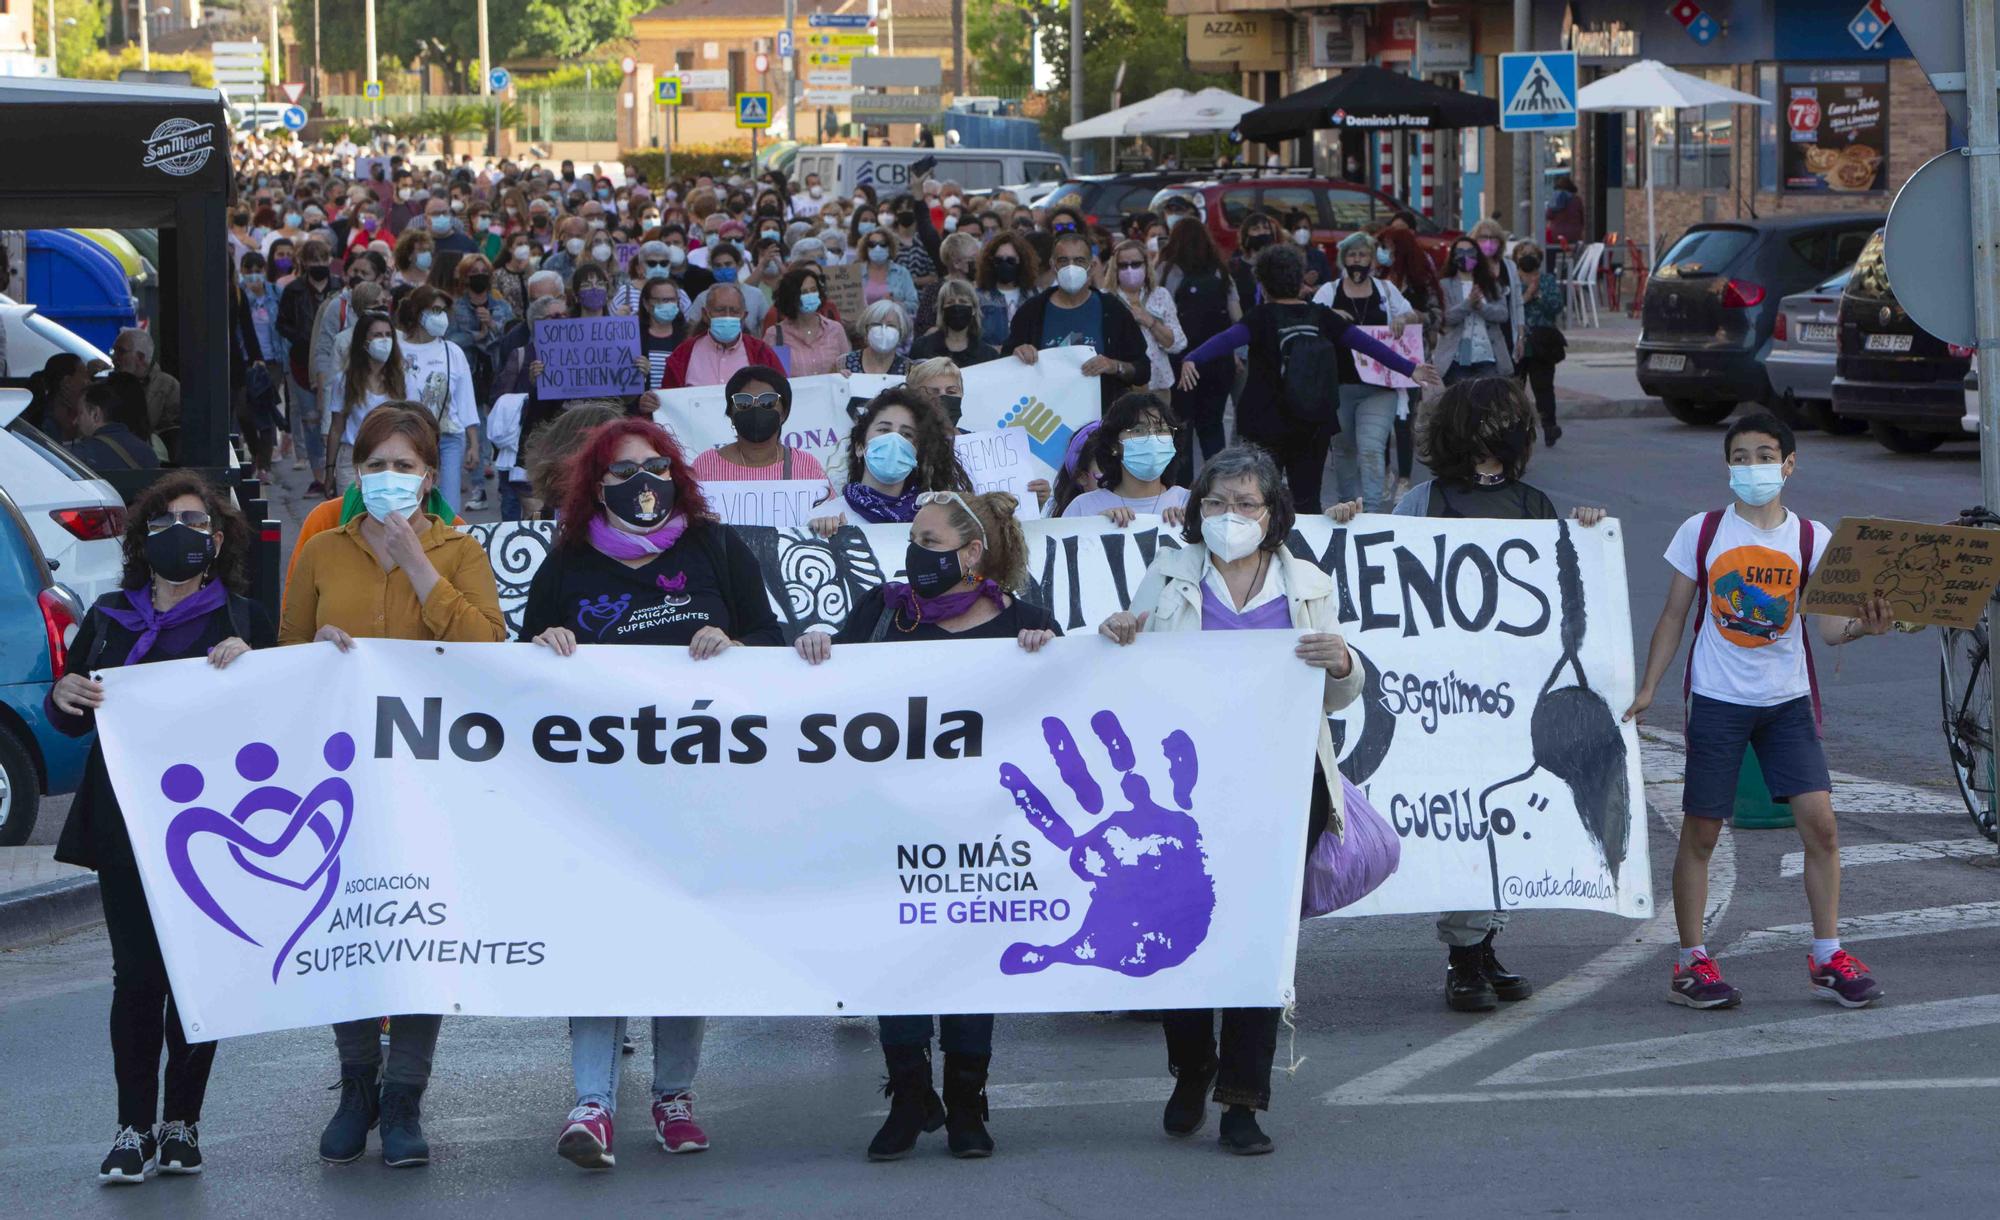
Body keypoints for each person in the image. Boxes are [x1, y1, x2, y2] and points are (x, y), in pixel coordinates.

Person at [522, 417, 782, 1169]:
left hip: (700, 787)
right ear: (592, 487)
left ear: (677, 474)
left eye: (655, 467)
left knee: (679, 938)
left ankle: (674, 1095)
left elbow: (770, 639)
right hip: (602, 795)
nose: (642, 484)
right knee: (602, 937)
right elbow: (520, 673)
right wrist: (545, 648)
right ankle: (592, 1103)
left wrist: (733, 648)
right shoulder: (568, 562)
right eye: (622, 472)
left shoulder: (713, 547)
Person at [1097, 445, 1363, 1155]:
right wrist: (1121, 631)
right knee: (1177, 930)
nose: (1230, 516)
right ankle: (1192, 1066)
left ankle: (1243, 1100)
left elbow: (1336, 692)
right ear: (1196, 510)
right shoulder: (1172, 572)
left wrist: (1342, 662)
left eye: (1247, 504)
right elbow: (1131, 669)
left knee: (1257, 938)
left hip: (1281, 784)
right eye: (1216, 503)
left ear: (1274, 514)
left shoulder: (1307, 582)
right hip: (1186, 792)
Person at [792, 489, 1055, 1161]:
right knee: (900, 956)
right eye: (914, 541)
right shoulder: (884, 612)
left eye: (932, 544)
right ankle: (911, 1096)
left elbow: (1060, 709)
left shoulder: (1024, 623)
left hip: (982, 830)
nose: (917, 555)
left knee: (969, 961)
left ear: (973, 554)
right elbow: (832, 696)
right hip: (893, 822)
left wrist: (1048, 651)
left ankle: (968, 1104)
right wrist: (818, 645)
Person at [1329, 377, 1606, 1009]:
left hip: (1508, 698)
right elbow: (1383, 574)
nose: (1492, 434)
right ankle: (1463, 956)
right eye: (1482, 422)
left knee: (1496, 822)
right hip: (1439, 696)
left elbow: (1563, 588)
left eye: (1503, 422)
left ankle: (1481, 945)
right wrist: (1352, 521)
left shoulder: (1535, 507)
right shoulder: (1422, 503)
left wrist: (1587, 529)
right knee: (1456, 817)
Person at [281, 406, 506, 1168]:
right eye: (373, 466)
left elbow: (487, 647)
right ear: (354, 472)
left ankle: (404, 1096)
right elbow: (284, 658)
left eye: (403, 467)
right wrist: (314, 649)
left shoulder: (460, 549)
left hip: (430, 775)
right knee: (349, 926)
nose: (387, 480)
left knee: (415, 929)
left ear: (430, 477)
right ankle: (356, 1087)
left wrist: (419, 566)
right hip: (341, 775)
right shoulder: (320, 551)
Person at [1624, 410, 1893, 1012]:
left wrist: (1868, 627)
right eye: (1741, 457)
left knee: (1821, 827)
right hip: (1718, 701)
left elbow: (1828, 629)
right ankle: (1691, 964)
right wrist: (1649, 690)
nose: (1753, 467)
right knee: (1702, 831)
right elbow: (1672, 617)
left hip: (1787, 703)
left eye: (1766, 455)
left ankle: (1828, 956)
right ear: (1728, 466)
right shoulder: (1702, 531)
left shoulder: (1811, 539)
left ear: (1790, 463)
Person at [49, 472, 269, 1185]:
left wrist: (254, 668)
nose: (184, 530)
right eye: (170, 518)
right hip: (126, 824)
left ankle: (183, 1124)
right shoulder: (110, 618)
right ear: (144, 538)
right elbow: (68, 716)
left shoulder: (241, 618)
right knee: (137, 978)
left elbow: (281, 714)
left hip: (211, 831)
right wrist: (66, 692)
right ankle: (132, 1127)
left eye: (198, 521)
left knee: (194, 975)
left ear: (219, 540)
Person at [1175, 244, 1438, 514]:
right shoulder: (1322, 316)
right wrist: (1410, 369)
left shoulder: (1260, 317)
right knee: (1308, 500)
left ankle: (1267, 549)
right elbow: (1368, 345)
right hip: (1314, 421)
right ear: (1300, 281)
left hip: (1264, 421)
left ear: (1263, 284)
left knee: (1263, 498)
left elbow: (1225, 340)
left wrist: (1192, 358)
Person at [1313, 232, 1421, 513]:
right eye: (1351, 255)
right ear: (1342, 259)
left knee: (1372, 448)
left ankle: (1372, 512)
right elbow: (1311, 321)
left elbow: (1414, 315)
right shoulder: (1328, 291)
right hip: (1337, 384)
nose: (1357, 260)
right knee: (1344, 450)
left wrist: (1401, 318)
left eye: (1362, 255)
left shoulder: (1386, 290)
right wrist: (1332, 314)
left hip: (1379, 386)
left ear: (1371, 259)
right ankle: (1348, 506)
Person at [1005, 230, 1149, 412]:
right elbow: (1006, 365)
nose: (1071, 267)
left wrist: (1115, 366)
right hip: (1046, 419)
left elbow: (1142, 369)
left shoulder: (1112, 310)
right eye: (1063, 261)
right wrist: (1018, 354)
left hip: (1102, 420)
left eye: (1079, 261)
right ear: (1053, 265)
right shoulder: (1031, 312)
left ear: (1092, 265)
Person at [810, 388, 971, 534]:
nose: (894, 439)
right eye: (884, 430)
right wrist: (818, 535)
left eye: (907, 434)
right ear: (860, 447)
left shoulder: (936, 521)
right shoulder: (825, 515)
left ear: (917, 454)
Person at [1158, 213, 1241, 464]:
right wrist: (1236, 354)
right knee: (1212, 425)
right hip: (1218, 360)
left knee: (1181, 426)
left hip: (1180, 361)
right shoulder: (1221, 272)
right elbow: (1237, 317)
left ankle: (1181, 492)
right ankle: (1217, 482)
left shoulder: (1168, 270)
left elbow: (1160, 311)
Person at [396, 287, 482, 513]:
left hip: (449, 438)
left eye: (443, 310)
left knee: (449, 507)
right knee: (412, 503)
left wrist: (474, 444)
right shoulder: (397, 350)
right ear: (417, 312)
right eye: (434, 310)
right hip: (409, 435)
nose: (440, 316)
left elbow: (466, 400)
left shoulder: (452, 351)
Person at [690, 364, 830, 492]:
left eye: (767, 401)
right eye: (743, 402)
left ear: (784, 413)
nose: (756, 409)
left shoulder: (805, 465)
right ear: (731, 413)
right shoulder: (705, 465)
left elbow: (829, 514)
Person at [1062, 392, 1187, 526]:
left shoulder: (1189, 502)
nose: (1152, 438)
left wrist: (1192, 525)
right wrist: (1097, 526)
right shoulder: (1083, 507)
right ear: (1114, 445)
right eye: (1138, 430)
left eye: (1161, 429)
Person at [323, 311, 406, 494]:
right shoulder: (345, 380)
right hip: (353, 460)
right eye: (377, 335)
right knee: (351, 519)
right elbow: (336, 427)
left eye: (388, 335)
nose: (384, 340)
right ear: (364, 341)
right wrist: (329, 470)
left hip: (390, 462)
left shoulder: (402, 379)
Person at [1100, 238, 1184, 392]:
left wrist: (1151, 322)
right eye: (1123, 265)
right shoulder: (1104, 298)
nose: (1130, 270)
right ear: (1115, 268)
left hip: (1158, 384)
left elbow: (1176, 343)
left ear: (1146, 265)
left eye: (1136, 264)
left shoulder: (1160, 295)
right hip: (1121, 384)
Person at [661, 282, 783, 388]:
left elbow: (781, 391)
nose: (727, 315)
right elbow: (667, 396)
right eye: (720, 310)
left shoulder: (761, 353)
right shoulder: (684, 354)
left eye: (734, 311)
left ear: (744, 316)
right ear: (705, 314)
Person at [1435, 235, 1514, 384]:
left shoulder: (1491, 283)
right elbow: (1445, 318)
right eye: (1460, 251)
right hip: (1456, 358)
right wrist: (1468, 304)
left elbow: (1503, 314)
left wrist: (1481, 307)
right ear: (1453, 257)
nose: (1465, 256)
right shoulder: (1444, 285)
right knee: (1461, 403)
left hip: (1488, 356)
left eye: (1470, 251)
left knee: (1487, 403)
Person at [1512, 241, 1568, 447]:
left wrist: (1539, 293)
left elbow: (1556, 307)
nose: (1527, 257)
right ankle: (1516, 429)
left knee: (1543, 386)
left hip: (1542, 342)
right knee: (1515, 387)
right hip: (1518, 341)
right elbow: (1509, 306)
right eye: (1523, 254)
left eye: (1531, 254)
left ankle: (1549, 426)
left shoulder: (1547, 280)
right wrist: (1527, 295)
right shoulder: (1512, 281)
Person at [762, 265, 850, 377]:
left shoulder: (835, 329)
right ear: (791, 297)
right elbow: (770, 375)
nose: (810, 296)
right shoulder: (775, 334)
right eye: (803, 292)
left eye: (813, 290)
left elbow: (846, 366)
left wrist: (842, 373)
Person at [109, 328, 182, 458]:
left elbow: (170, 432)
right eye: (113, 351)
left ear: (140, 357)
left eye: (121, 351)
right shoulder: (109, 384)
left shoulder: (167, 386)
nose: (114, 358)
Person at [67, 379, 161, 473]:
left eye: (80, 413)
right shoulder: (147, 452)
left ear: (95, 414)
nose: (75, 421)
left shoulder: (81, 454)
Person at [910, 279, 999, 369]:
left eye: (963, 302)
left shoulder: (989, 356)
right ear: (942, 310)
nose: (957, 307)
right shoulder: (921, 348)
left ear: (973, 310)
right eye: (950, 302)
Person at [974, 231, 1039, 340]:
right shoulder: (978, 297)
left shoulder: (1033, 296)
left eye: (1011, 260)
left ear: (1022, 262)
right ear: (991, 262)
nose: (1005, 265)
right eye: (998, 260)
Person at [636, 275, 691, 393]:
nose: (668, 304)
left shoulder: (688, 337)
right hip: (641, 406)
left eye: (672, 300)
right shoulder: (634, 337)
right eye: (662, 300)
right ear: (646, 304)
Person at [844, 299, 912, 376]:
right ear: (865, 330)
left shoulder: (910, 369)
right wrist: (838, 378)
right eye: (876, 324)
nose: (883, 330)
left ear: (901, 332)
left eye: (891, 325)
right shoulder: (844, 363)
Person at [905, 356, 967, 430]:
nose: (943, 397)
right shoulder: (899, 440)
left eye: (951, 392)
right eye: (933, 392)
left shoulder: (978, 439)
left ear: (961, 393)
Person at [1545, 173, 1586, 250]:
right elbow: (1582, 220)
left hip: (1556, 236)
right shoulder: (1577, 200)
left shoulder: (1555, 199)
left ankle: (1550, 261)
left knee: (1547, 245)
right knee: (1577, 248)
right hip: (1575, 235)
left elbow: (1548, 215)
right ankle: (1576, 260)